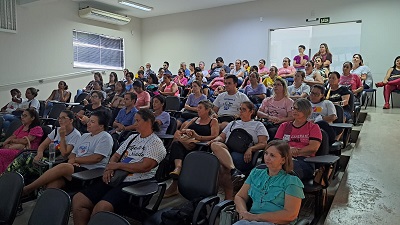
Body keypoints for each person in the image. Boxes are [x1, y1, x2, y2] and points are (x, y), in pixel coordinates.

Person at [72, 109, 166, 225]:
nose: (135, 124)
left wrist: (118, 165)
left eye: (137, 121)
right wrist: (110, 168)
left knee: (101, 208)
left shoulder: (155, 143)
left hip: (135, 183)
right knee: (79, 200)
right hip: (116, 177)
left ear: (149, 122)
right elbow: (116, 155)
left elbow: (145, 166)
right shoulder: (132, 138)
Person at [22, 110, 113, 196]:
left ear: (101, 126)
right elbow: (73, 154)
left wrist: (76, 160)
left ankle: (28, 189)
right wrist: (73, 160)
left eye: (92, 122)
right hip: (75, 168)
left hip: (90, 172)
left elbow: (97, 158)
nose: (88, 123)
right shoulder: (85, 136)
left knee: (64, 166)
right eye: (89, 121)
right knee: (52, 185)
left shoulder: (105, 137)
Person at [234, 140, 304, 225]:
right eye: (266, 153)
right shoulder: (256, 173)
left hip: (274, 222)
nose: (267, 158)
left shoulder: (291, 181)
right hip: (250, 220)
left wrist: (255, 217)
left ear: (283, 160)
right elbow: (240, 196)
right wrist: (244, 213)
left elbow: (291, 214)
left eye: (272, 155)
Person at [209, 101, 268, 200]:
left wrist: (251, 148)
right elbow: (221, 137)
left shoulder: (258, 125)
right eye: (240, 109)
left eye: (244, 109)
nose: (240, 111)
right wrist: (215, 139)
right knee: (215, 145)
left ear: (251, 111)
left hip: (243, 153)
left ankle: (227, 197)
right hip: (228, 149)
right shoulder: (233, 123)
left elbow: (263, 143)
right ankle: (234, 171)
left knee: (223, 167)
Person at [164, 100, 219, 197]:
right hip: (187, 143)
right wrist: (187, 130)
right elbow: (182, 130)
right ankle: (178, 168)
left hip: (200, 146)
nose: (197, 109)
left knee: (177, 146)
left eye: (200, 108)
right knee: (177, 144)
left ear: (207, 110)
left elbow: (214, 136)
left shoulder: (213, 121)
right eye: (198, 107)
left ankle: (175, 180)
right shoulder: (195, 119)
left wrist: (198, 137)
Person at [7, 110, 81, 180]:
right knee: (23, 161)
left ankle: (9, 179)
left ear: (71, 120)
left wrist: (62, 137)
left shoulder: (76, 135)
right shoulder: (56, 130)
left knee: (27, 159)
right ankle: (8, 179)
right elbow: (43, 145)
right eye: (59, 118)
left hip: (59, 162)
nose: (60, 120)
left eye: (63, 118)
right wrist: (39, 153)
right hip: (50, 156)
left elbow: (64, 153)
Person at [275, 98, 322, 180]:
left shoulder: (313, 127)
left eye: (298, 109)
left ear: (306, 111)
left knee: (288, 170)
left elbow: (313, 148)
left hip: (305, 160)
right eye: (293, 108)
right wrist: (288, 150)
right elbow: (276, 145)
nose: (294, 111)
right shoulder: (284, 126)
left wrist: (294, 151)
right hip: (283, 157)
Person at [0, 108, 43, 173]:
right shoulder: (22, 127)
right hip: (15, 148)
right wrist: (4, 143)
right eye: (22, 115)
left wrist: (12, 141)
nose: (22, 117)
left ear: (32, 118)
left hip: (25, 152)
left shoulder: (37, 129)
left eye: (25, 116)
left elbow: (25, 141)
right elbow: (12, 136)